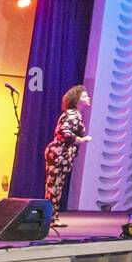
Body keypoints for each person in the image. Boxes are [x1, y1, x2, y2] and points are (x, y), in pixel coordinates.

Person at [43, 84, 91, 226]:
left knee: (56, 186)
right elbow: (65, 132)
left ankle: (52, 217)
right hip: (59, 153)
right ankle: (50, 218)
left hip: (62, 153)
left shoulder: (75, 114)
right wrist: (81, 140)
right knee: (54, 186)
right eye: (84, 96)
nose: (88, 98)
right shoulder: (72, 115)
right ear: (77, 100)